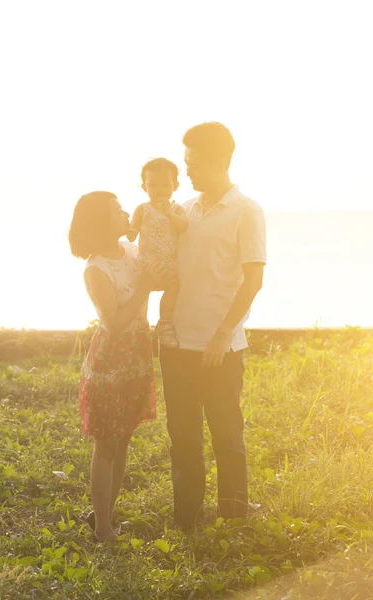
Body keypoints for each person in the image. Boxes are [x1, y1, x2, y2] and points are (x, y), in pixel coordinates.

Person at [159, 122, 267, 529]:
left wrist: (222, 333)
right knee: (183, 440)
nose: (187, 173)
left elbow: (253, 280)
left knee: (226, 438)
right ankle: (186, 520)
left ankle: (233, 519)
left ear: (219, 162)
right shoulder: (184, 211)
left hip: (221, 348)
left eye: (194, 165)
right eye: (186, 164)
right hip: (177, 347)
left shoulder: (246, 211)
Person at [68, 191, 161, 542]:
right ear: (100, 223)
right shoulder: (96, 268)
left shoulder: (132, 252)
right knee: (106, 445)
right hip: (110, 361)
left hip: (138, 356)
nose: (125, 212)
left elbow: (161, 264)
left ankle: (104, 514)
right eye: (116, 210)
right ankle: (103, 529)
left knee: (123, 441)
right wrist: (145, 287)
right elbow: (116, 321)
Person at [127, 158, 188, 348]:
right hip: (147, 262)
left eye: (164, 184)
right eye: (152, 185)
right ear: (144, 187)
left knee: (173, 288)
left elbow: (184, 226)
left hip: (168, 262)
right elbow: (131, 235)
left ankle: (165, 324)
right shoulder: (142, 209)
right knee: (141, 294)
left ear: (175, 185)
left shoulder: (177, 209)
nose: (159, 189)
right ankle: (136, 326)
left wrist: (169, 213)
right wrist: (124, 229)